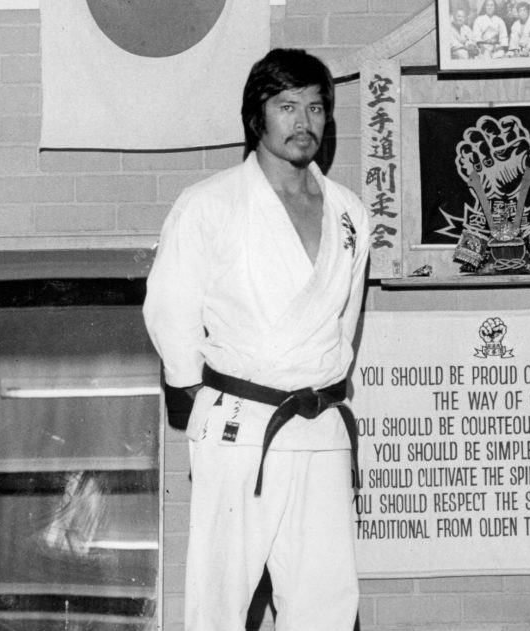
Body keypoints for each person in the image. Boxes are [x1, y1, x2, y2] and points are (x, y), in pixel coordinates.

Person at [143, 48, 368, 630]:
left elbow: (346, 320)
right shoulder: (209, 203)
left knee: (326, 601)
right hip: (239, 422)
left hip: (321, 422)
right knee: (219, 596)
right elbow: (172, 312)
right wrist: (209, 397)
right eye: (286, 105)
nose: (304, 122)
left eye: (316, 108)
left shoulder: (349, 213)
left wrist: (327, 383)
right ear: (256, 117)